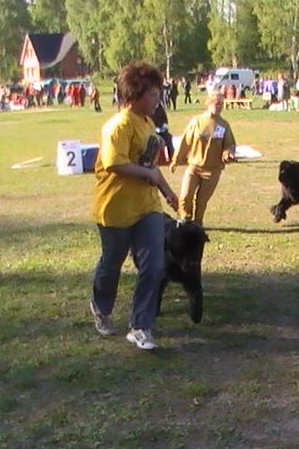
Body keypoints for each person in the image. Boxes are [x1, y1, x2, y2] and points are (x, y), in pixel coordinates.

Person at [90, 62, 179, 351]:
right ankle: (101, 307)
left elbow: (150, 164)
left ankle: (140, 326)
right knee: (111, 264)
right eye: (153, 94)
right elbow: (115, 163)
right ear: (136, 94)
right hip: (115, 209)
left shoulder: (148, 123)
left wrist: (166, 192)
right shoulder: (118, 126)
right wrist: (148, 175)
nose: (157, 100)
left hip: (147, 208)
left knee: (154, 266)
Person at [170, 91, 236, 226]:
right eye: (217, 103)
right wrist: (175, 159)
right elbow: (185, 141)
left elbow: (229, 144)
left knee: (201, 201)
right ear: (209, 103)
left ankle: (197, 225)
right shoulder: (197, 122)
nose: (220, 106)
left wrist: (228, 154)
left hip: (213, 171)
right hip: (194, 167)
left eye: (222, 104)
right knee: (185, 197)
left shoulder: (224, 125)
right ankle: (184, 222)